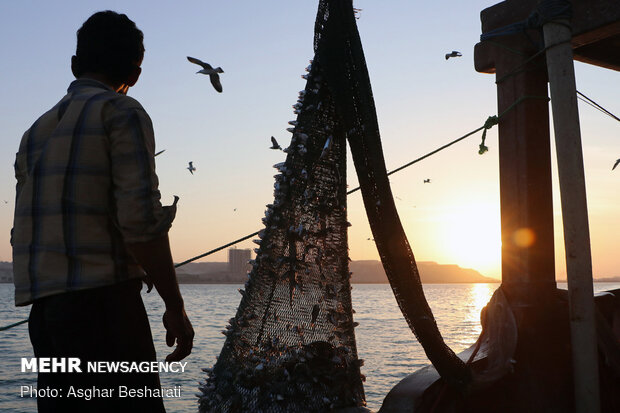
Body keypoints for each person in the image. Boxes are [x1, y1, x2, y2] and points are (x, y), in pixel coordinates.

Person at [11, 11, 194, 412]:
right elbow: (140, 224)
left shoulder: (34, 132)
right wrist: (175, 307)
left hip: (46, 317)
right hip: (104, 314)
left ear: (75, 65)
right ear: (136, 72)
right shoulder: (122, 113)